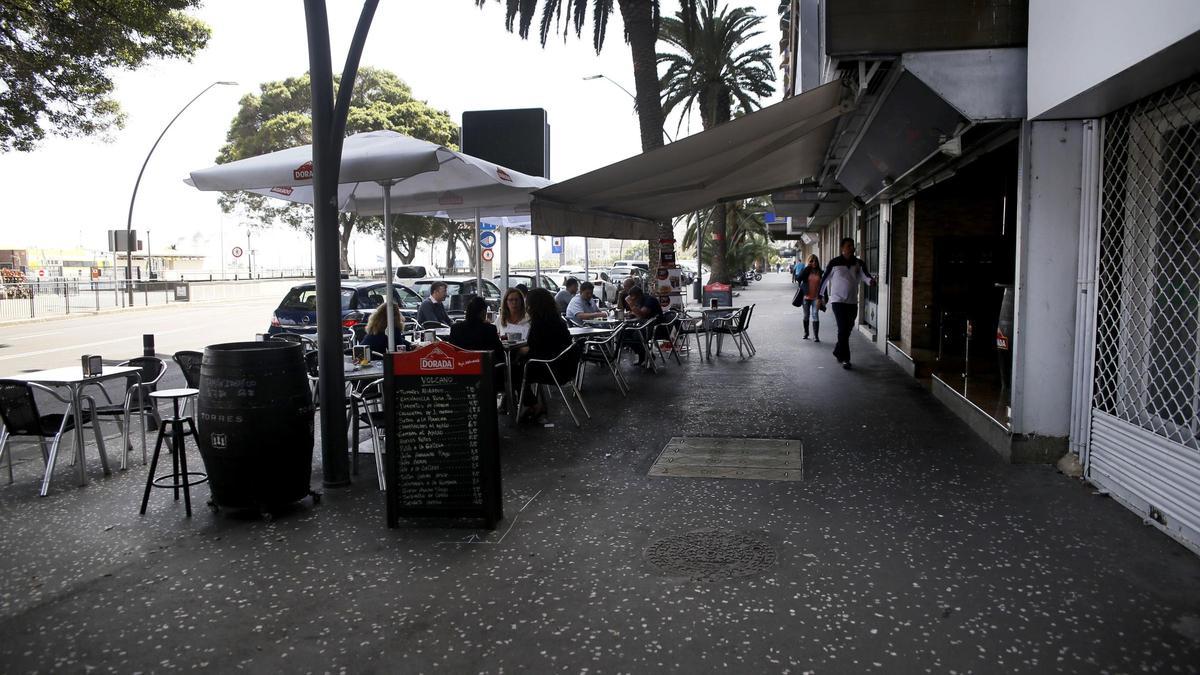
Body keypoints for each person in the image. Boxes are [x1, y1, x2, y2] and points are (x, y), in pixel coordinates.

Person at [516, 287, 572, 421]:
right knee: (518, 368)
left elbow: (535, 350)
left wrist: (521, 350)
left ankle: (533, 405)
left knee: (513, 372)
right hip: (563, 366)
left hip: (547, 368)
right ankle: (530, 405)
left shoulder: (538, 324)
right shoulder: (559, 321)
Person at [818, 238, 875, 369]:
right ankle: (845, 358)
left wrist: (871, 281)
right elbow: (824, 280)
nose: (852, 248)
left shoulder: (858, 263)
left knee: (847, 330)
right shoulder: (834, 263)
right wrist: (819, 297)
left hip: (852, 302)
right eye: (849, 246)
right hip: (838, 302)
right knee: (843, 329)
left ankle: (838, 351)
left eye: (853, 246)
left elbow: (866, 276)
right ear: (842, 248)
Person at [622, 285, 662, 368]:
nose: (634, 301)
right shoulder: (641, 301)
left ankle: (646, 355)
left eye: (634, 299)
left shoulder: (650, 300)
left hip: (656, 328)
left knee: (636, 335)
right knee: (624, 334)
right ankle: (643, 355)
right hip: (646, 326)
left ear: (639, 295)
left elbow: (642, 314)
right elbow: (637, 313)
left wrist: (631, 304)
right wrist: (630, 314)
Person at [797, 254, 823, 342]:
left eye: (815, 261)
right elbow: (799, 278)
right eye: (811, 261)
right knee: (806, 315)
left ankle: (816, 336)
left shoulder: (820, 272)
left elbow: (823, 285)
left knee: (815, 314)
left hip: (816, 297)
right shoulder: (806, 270)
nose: (814, 262)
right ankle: (806, 333)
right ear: (809, 262)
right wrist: (807, 268)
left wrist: (823, 297)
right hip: (806, 297)